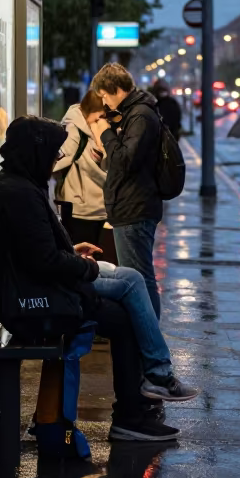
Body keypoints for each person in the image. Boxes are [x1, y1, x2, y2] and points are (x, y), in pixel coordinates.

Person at [0, 115, 186, 441]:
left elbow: (38, 251)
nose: (55, 161)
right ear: (35, 153)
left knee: (125, 306)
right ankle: (134, 412)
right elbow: (45, 261)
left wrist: (73, 251)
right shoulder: (19, 194)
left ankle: (137, 408)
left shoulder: (20, 184)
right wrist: (86, 267)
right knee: (125, 311)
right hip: (29, 304)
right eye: (52, 154)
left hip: (31, 290)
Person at [90, 63, 163, 317]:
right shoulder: (133, 114)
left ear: (116, 89)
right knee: (140, 279)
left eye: (104, 97)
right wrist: (105, 153)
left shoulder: (140, 115)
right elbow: (122, 161)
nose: (105, 104)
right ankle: (146, 341)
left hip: (135, 208)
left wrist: (104, 133)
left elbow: (125, 161)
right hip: (129, 206)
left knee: (139, 281)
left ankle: (149, 346)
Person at [53, 89, 110, 247]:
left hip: (92, 206)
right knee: (83, 255)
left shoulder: (93, 126)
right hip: (80, 205)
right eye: (101, 114)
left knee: (88, 256)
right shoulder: (74, 128)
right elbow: (63, 156)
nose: (102, 118)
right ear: (93, 110)